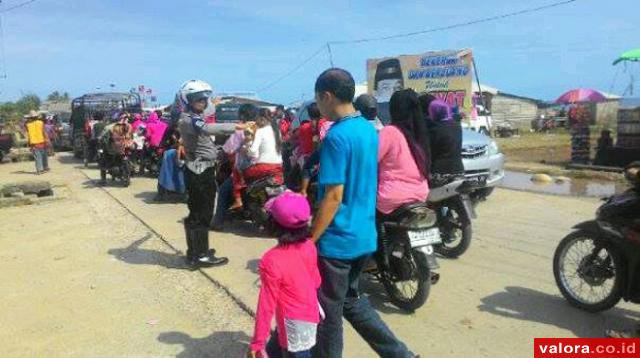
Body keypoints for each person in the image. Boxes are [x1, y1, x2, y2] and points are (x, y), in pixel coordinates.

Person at [310, 68, 415, 358]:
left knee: (328, 315)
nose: (318, 107)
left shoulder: (336, 136)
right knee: (351, 301)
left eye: (318, 101)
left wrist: (310, 239)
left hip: (337, 242)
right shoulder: (368, 130)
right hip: (364, 236)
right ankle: (400, 354)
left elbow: (333, 196)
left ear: (326, 96)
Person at [248, 192, 321, 358]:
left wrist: (257, 342)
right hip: (310, 314)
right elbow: (316, 281)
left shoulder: (272, 259)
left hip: (292, 324)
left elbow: (266, 306)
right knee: (279, 348)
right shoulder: (309, 246)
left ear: (273, 224)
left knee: (297, 353)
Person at [177, 80, 236, 268]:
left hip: (201, 169)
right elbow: (210, 128)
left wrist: (215, 102)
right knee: (202, 214)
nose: (204, 102)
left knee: (197, 213)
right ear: (188, 100)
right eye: (199, 99)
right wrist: (238, 126)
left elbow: (209, 110)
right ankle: (200, 255)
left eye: (205, 98)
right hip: (199, 171)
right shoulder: (189, 119)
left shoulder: (194, 114)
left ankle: (195, 251)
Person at [377, 89, 430, 215]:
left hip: (392, 196)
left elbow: (370, 160)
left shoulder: (389, 132)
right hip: (421, 193)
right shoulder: (420, 134)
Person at [425, 99, 464, 187]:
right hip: (459, 171)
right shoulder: (457, 126)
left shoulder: (433, 129)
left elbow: (429, 151)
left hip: (439, 173)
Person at [242, 108, 283, 184]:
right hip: (278, 167)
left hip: (263, 167)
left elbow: (253, 152)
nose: (256, 122)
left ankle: (243, 195)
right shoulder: (277, 132)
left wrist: (246, 147)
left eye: (256, 119)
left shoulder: (260, 131)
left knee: (241, 175)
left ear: (262, 119)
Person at [24, 110, 50, 175]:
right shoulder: (41, 123)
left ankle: (39, 170)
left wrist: (28, 143)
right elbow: (44, 132)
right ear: (37, 116)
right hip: (42, 141)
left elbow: (28, 134)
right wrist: (47, 140)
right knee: (44, 156)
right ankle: (45, 167)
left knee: (37, 157)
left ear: (30, 117)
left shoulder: (28, 125)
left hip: (34, 143)